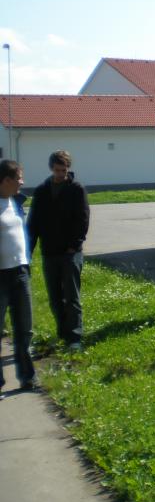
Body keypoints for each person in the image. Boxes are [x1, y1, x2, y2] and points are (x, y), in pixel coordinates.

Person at [26, 150, 90, 351]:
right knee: (55, 296)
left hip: (71, 252)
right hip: (49, 251)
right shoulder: (42, 191)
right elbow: (33, 222)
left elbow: (83, 218)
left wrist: (75, 243)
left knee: (72, 296)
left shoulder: (76, 189)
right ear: (51, 168)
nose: (61, 174)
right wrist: (28, 249)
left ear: (68, 168)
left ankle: (75, 337)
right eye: (57, 170)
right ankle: (62, 332)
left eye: (64, 170)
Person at [0, 160, 37, 394]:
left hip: (20, 271)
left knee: (24, 327)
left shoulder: (16, 201)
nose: (22, 182)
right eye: (19, 178)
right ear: (5, 180)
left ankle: (27, 377)